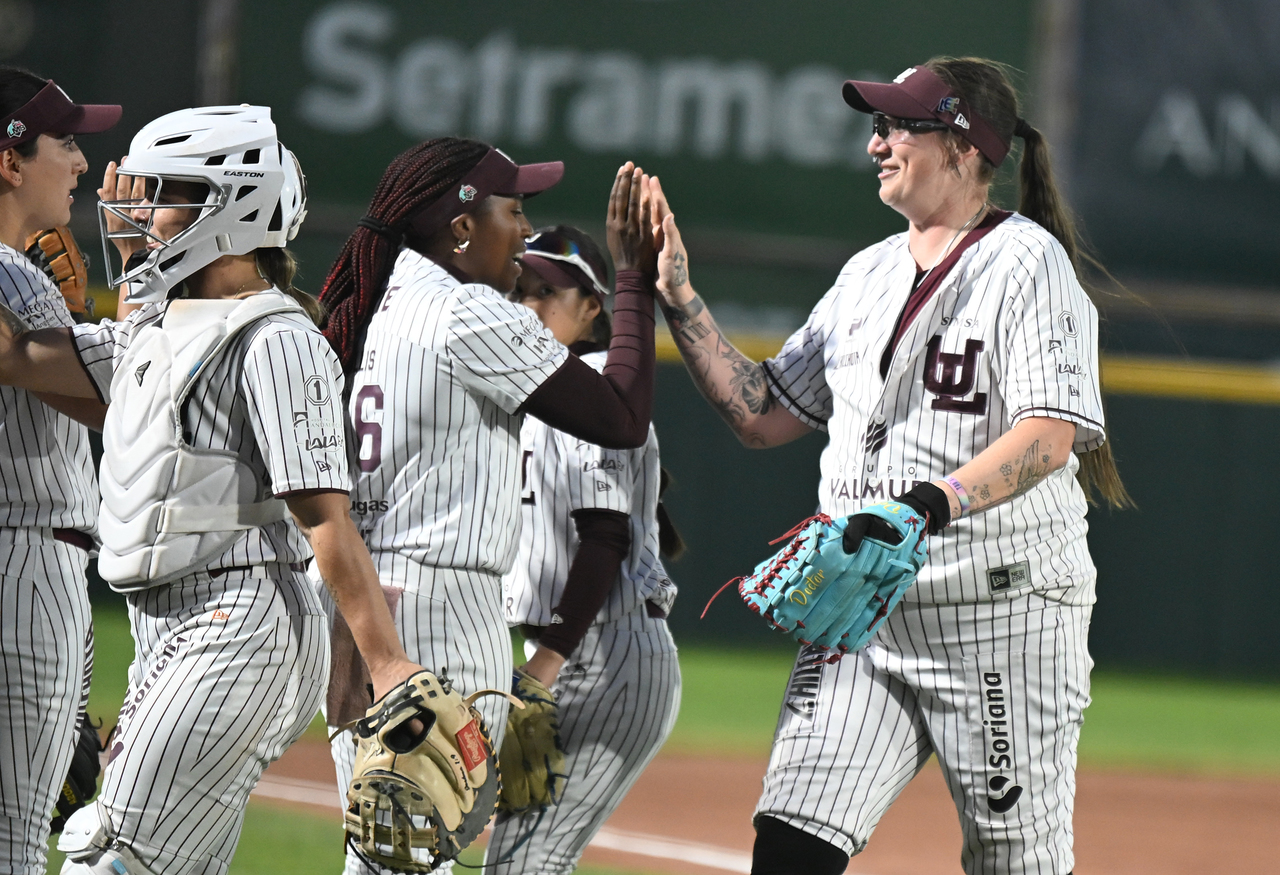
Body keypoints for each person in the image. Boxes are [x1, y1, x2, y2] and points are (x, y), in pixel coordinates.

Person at [652, 57, 1130, 875]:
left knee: (1015, 862)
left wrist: (923, 506)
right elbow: (763, 414)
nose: (877, 142)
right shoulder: (865, 274)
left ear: (963, 145)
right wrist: (681, 296)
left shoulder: (1027, 264)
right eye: (877, 125)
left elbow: (1050, 437)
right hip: (863, 614)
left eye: (898, 124)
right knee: (790, 844)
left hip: (1000, 615)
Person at [0, 104, 422, 875]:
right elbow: (16, 355)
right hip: (173, 627)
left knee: (111, 857)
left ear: (228, 208)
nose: (135, 212)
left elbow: (325, 518)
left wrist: (387, 663)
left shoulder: (277, 334)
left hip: (240, 621)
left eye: (161, 194)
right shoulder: (160, 330)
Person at [316, 139, 664, 875]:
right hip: (441, 607)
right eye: (515, 209)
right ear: (463, 226)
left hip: (361, 606)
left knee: (383, 856)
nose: (526, 232)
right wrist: (633, 279)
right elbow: (619, 415)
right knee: (408, 861)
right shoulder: (465, 310)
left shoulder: (365, 305)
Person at [487, 225, 683, 874]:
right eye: (521, 290)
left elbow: (606, 536)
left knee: (527, 862)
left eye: (550, 292)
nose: (529, 305)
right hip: (569, 650)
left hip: (602, 655)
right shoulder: (531, 389)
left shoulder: (596, 382)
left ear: (594, 308)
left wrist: (544, 665)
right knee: (517, 861)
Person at [0, 67, 119, 875]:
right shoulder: (16, 279)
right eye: (66, 142)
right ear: (10, 160)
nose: (80, 162)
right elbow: (119, 410)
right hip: (25, 555)